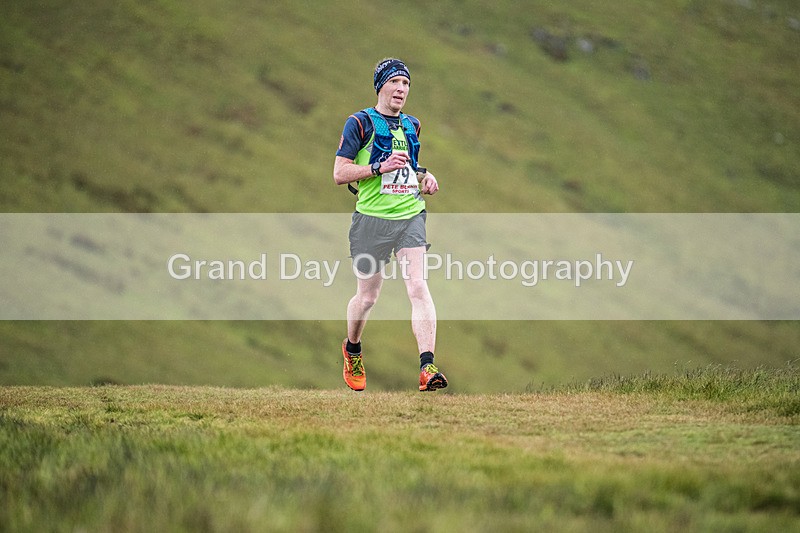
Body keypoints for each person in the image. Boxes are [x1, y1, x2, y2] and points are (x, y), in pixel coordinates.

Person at [332, 58, 448, 392]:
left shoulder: (412, 125)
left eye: (406, 84)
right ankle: (352, 348)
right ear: (380, 86)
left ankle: (427, 367)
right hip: (371, 220)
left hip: (410, 216)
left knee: (418, 287)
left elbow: (410, 167)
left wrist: (426, 177)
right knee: (367, 298)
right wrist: (378, 167)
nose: (401, 89)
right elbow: (340, 173)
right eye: (395, 82)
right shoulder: (360, 123)